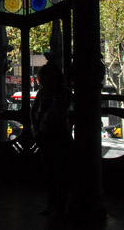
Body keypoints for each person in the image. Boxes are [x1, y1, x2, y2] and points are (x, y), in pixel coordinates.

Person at [31, 63, 72, 217]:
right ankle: (52, 204)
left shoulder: (62, 93)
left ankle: (60, 205)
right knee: (50, 173)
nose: (41, 81)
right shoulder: (42, 93)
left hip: (59, 135)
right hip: (46, 134)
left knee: (60, 172)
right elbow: (34, 112)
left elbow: (60, 113)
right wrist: (37, 130)